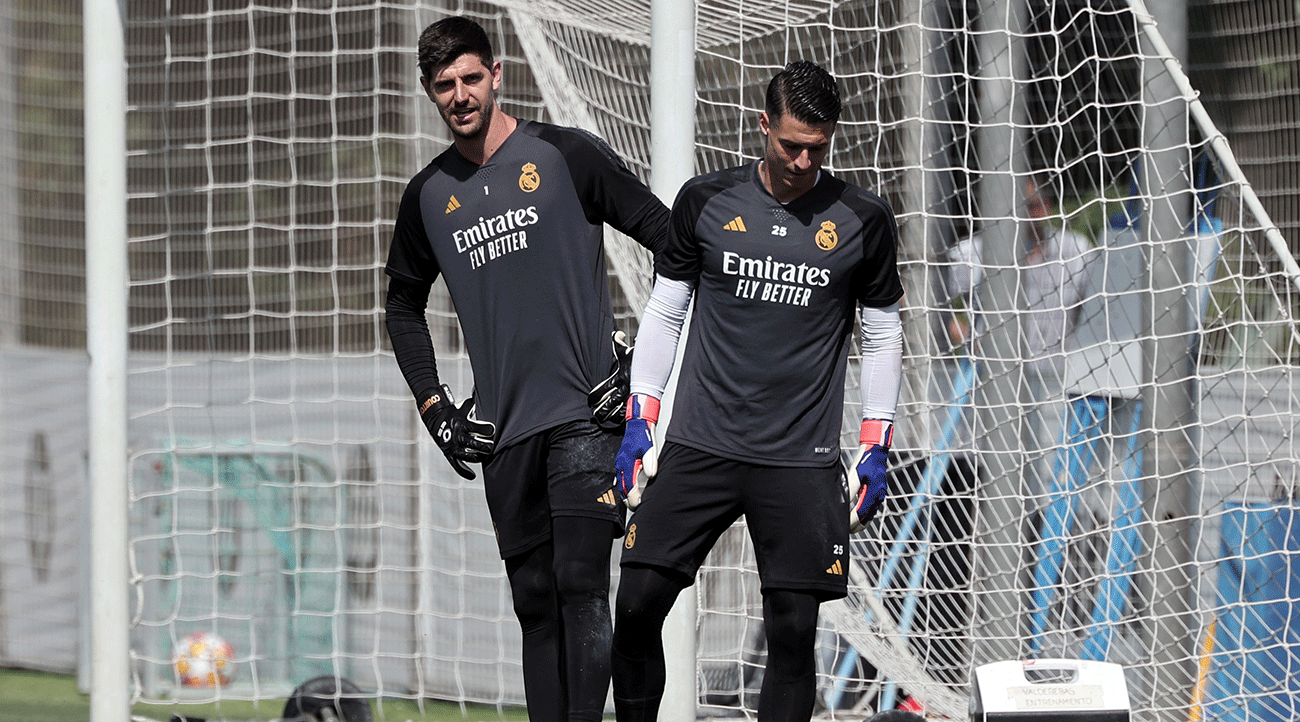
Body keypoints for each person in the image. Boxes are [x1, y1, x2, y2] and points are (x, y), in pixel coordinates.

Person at [382, 16, 669, 722]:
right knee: (535, 605)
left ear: (497, 73)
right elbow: (401, 309)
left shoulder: (566, 154)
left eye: (470, 77)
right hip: (503, 431)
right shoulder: (426, 197)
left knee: (582, 584)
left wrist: (643, 364)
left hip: (585, 416)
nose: (460, 94)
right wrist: (436, 410)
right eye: (444, 85)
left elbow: (671, 242)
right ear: (428, 92)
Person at [608, 61, 905, 722]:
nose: (802, 160)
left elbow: (883, 336)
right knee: (633, 610)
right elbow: (664, 313)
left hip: (799, 460)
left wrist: (875, 442)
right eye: (790, 143)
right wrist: (641, 420)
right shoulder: (704, 201)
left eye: (817, 147)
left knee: (794, 638)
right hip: (699, 445)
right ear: (763, 126)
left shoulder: (863, 220)